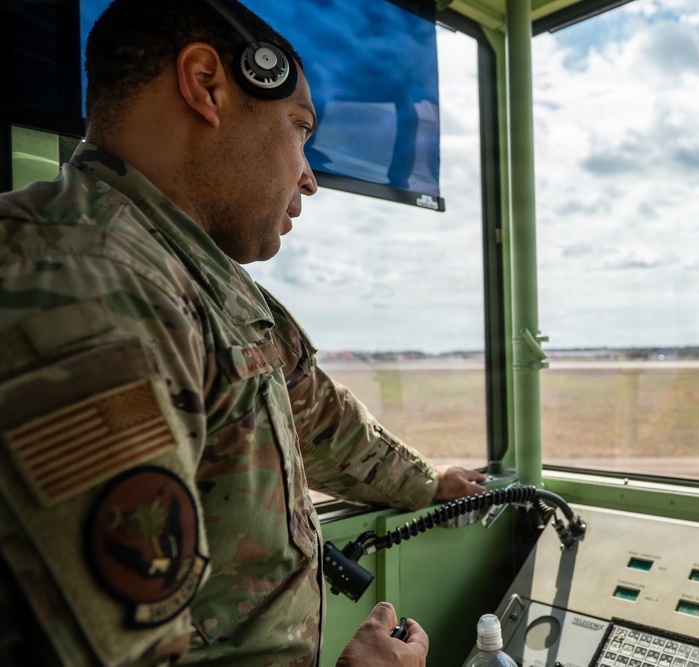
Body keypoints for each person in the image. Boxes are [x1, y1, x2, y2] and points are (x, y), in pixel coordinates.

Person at [0, 0, 486, 665]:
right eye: (299, 128)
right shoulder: (87, 284)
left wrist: (431, 485)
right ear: (206, 86)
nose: (309, 176)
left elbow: (320, 420)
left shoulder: (200, 281)